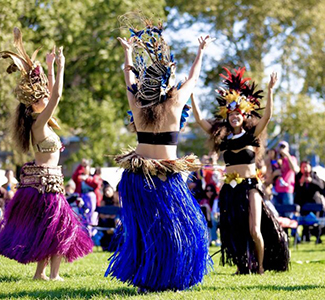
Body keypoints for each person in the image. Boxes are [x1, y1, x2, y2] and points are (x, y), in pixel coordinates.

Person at [105, 16, 214, 292]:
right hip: (144, 177)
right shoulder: (166, 102)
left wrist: (128, 54)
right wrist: (200, 51)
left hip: (160, 176)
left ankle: (168, 276)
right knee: (148, 230)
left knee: (172, 228)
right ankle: (150, 278)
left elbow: (130, 79)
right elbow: (193, 78)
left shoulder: (154, 102)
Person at [0, 28, 93, 281]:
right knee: (60, 227)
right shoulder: (38, 123)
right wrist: (61, 66)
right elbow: (56, 95)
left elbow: (50, 92)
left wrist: (49, 67)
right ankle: (53, 275)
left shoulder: (44, 123)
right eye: (43, 96)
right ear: (34, 104)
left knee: (49, 229)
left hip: (49, 183)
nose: (47, 96)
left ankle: (42, 274)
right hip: (45, 186)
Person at [192, 67, 289, 274]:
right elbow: (200, 120)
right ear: (227, 116)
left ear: (244, 115)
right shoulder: (222, 137)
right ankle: (242, 266)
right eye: (231, 114)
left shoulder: (252, 134)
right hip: (230, 188)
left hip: (251, 186)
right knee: (234, 230)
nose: (234, 117)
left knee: (254, 229)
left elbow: (267, 118)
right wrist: (191, 94)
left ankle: (261, 267)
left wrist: (270, 91)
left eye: (238, 114)